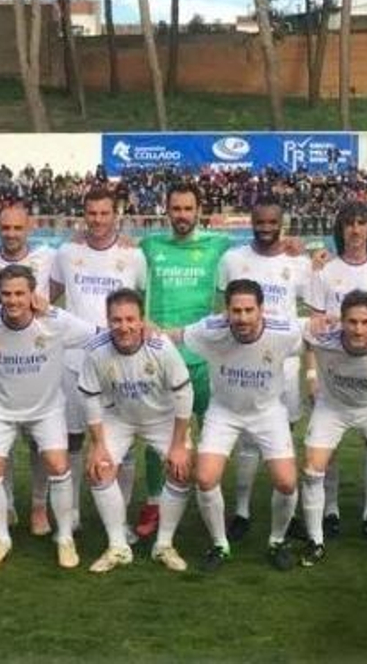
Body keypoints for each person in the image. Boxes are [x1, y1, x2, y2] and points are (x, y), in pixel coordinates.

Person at [163, 280, 304, 572]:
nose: (242, 318)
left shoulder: (284, 331)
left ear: (261, 310)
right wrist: (148, 330)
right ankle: (219, 544)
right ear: (226, 311)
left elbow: (319, 333)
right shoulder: (211, 329)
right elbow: (175, 336)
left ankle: (277, 541)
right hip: (224, 411)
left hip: (268, 412)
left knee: (287, 482)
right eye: (236, 311)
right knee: (204, 478)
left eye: (249, 310)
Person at [0, 265, 98, 569]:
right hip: (0, 409)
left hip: (47, 409)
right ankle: (1, 538)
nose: (13, 300)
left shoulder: (56, 321)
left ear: (33, 294)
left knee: (58, 463)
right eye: (6, 294)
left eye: (19, 293)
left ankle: (64, 538)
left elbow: (97, 336)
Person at [50, 188, 148, 538]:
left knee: (125, 442)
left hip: (121, 363)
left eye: (104, 213)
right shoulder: (67, 251)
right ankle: (73, 511)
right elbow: (48, 296)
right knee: (74, 439)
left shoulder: (133, 255)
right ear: (84, 214)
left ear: (115, 214)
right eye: (91, 213)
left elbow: (143, 305)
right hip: (75, 362)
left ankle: (119, 520)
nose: (98, 220)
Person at [137, 184, 231, 539]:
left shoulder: (219, 246)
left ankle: (209, 499)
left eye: (188, 208)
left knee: (212, 434)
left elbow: (259, 252)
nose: (181, 215)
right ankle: (154, 502)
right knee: (156, 436)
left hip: (205, 359)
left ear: (199, 209)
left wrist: (297, 246)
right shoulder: (148, 247)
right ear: (166, 210)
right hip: (160, 357)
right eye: (175, 208)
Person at [77, 289, 194, 573]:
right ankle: (118, 546)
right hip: (119, 417)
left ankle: (164, 544)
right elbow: (89, 397)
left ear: (142, 321)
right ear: (107, 320)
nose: (124, 326)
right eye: (116, 320)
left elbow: (184, 395)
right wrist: (98, 444)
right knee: (99, 469)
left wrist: (179, 446)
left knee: (183, 469)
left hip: (162, 418)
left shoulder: (161, 347)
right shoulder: (95, 350)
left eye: (131, 319)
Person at [307, 202, 367, 540]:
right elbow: (313, 328)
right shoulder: (325, 271)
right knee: (327, 447)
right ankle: (330, 509)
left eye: (362, 223)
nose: (355, 229)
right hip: (334, 370)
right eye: (349, 223)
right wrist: (312, 375)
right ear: (341, 229)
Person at [216, 201, 311, 541]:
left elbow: (311, 306)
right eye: (260, 221)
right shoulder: (233, 260)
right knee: (247, 440)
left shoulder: (298, 262)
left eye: (273, 221)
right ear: (251, 222)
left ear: (282, 223)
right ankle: (241, 511)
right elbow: (221, 309)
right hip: (245, 364)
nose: (266, 227)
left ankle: (286, 510)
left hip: (284, 364)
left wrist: (312, 255)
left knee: (283, 436)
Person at [300, 292, 367, 567]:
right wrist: (312, 374)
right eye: (351, 322)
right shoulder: (322, 337)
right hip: (332, 407)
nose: (358, 329)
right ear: (342, 321)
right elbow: (293, 331)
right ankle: (315, 540)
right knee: (312, 468)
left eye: (365, 322)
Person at [0, 201, 58, 537]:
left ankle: (38, 507)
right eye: (5, 228)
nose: (11, 234)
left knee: (40, 444)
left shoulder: (49, 257)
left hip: (40, 364)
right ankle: (5, 508)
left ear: (29, 228)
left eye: (17, 228)